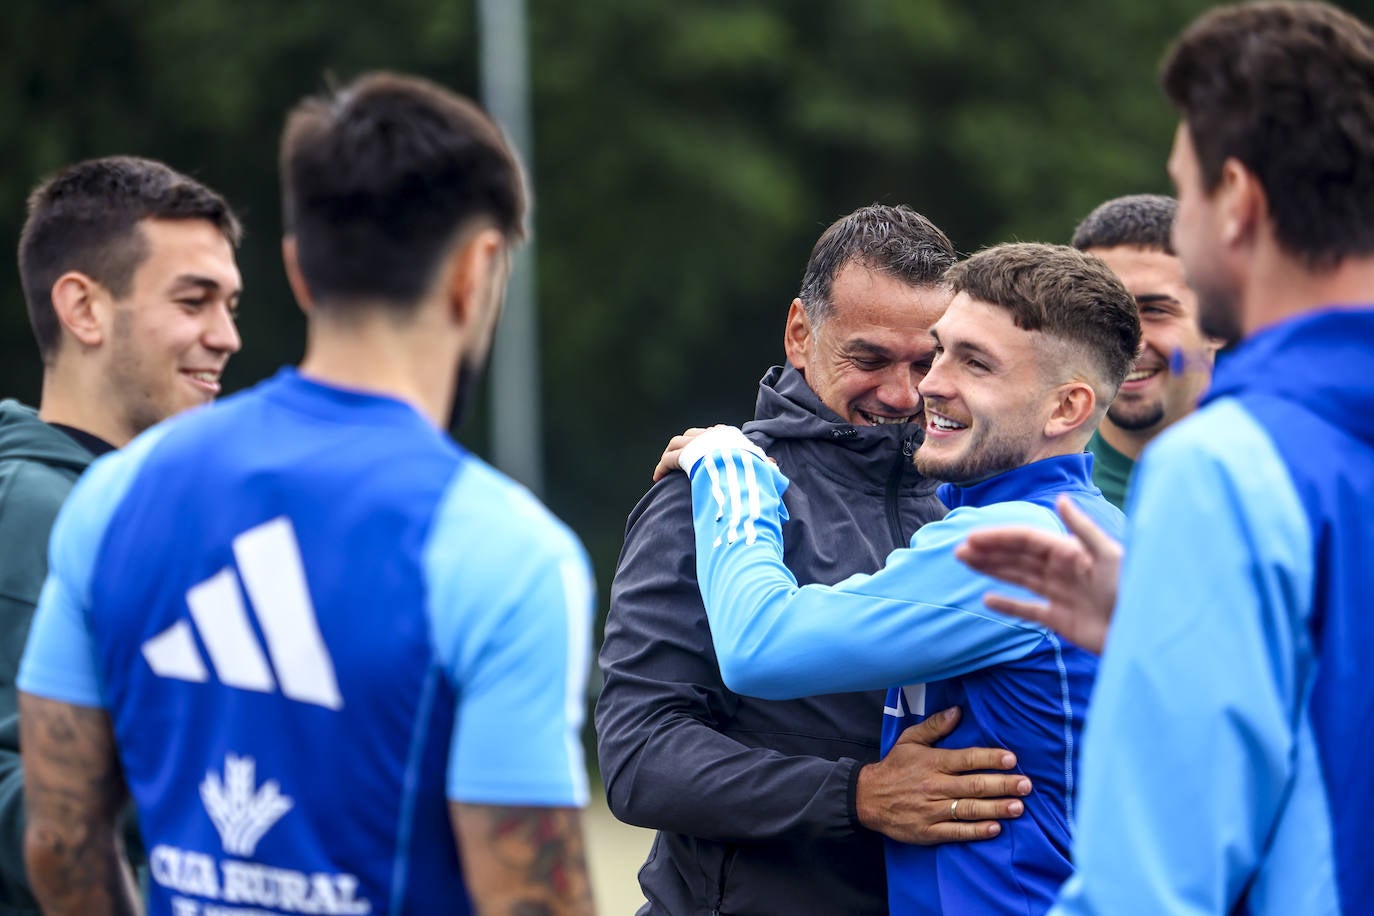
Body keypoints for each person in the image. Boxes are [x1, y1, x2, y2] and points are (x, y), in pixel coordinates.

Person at [17, 72, 595, 915]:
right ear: (477, 271)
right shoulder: (507, 549)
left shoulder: (115, 495)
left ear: (297, 270)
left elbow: (60, 842)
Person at [960, 4, 1374, 913]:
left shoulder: (1227, 467)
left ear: (1238, 200)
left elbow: (1146, 889)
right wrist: (1170, 633)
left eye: (1183, 195)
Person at [669, 242, 1140, 914]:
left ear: (1065, 409)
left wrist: (732, 474)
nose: (928, 385)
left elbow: (756, 646)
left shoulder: (1014, 546)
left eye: (975, 363)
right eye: (940, 350)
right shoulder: (1082, 524)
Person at [597, 205, 1032, 915]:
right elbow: (640, 758)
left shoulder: (970, 508)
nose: (899, 393)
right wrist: (857, 795)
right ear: (800, 333)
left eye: (924, 362)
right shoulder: (711, 495)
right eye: (867, 359)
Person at [0, 155, 243, 912]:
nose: (227, 335)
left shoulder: (136, 513)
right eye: (194, 301)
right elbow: (37, 806)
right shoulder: (33, 509)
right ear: (84, 309)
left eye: (231, 304)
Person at [1070, 194, 1221, 510]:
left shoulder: (1279, 477)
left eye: (1155, 310)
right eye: (1103, 311)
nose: (1131, 342)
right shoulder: (1022, 477)